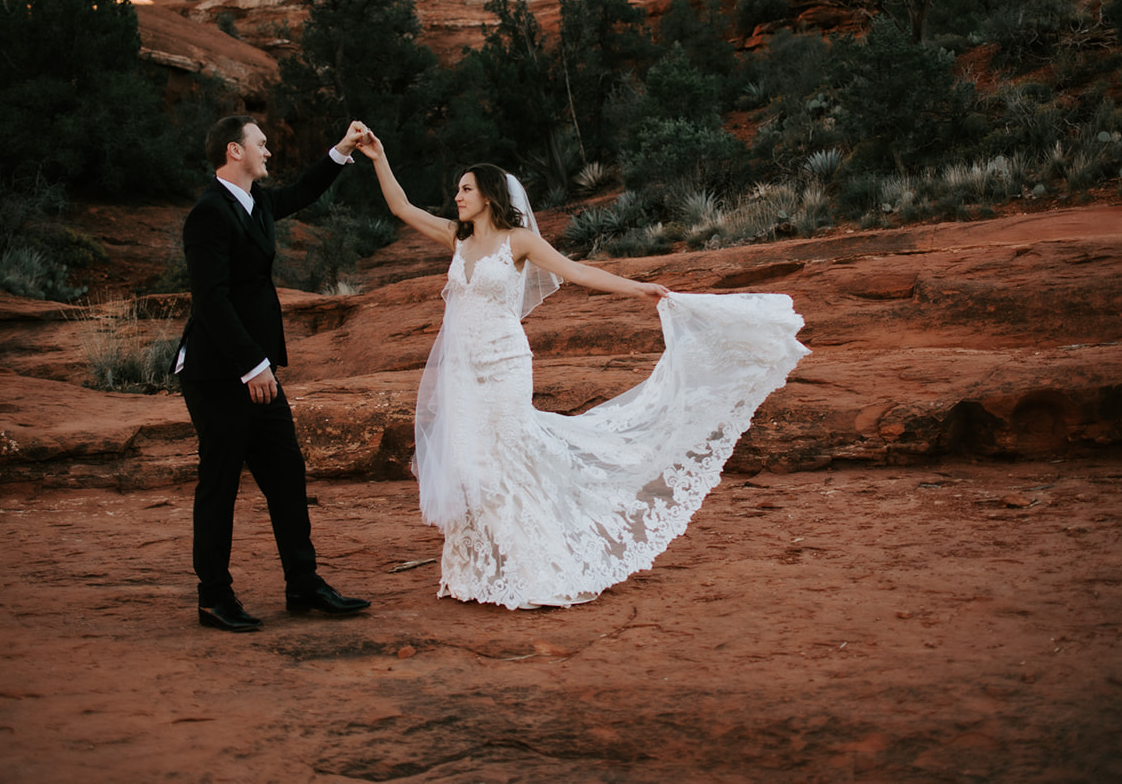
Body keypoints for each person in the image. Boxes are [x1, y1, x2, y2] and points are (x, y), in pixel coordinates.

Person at [356, 131, 810, 610]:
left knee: (511, 454)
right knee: (471, 462)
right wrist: (380, 157)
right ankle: (480, 571)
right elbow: (403, 208)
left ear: (489, 195)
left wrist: (640, 289)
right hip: (463, 371)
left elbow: (579, 273)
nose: (457, 197)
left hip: (505, 364)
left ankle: (537, 568)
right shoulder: (457, 237)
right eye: (458, 190)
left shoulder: (520, 241)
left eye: (466, 189)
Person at [173, 115, 373, 632]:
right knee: (219, 484)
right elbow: (211, 302)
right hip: (219, 375)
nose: (269, 151)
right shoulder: (207, 215)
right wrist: (252, 365)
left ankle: (303, 585)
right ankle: (214, 597)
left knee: (286, 475)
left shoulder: (256, 202)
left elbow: (304, 190)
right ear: (234, 151)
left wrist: (344, 148)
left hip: (257, 372)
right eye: (261, 144)